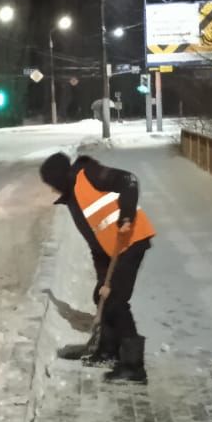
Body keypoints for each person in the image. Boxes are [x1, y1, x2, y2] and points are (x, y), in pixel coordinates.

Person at [39, 150, 155, 383]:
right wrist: (103, 279)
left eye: (51, 184)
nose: (52, 189)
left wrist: (126, 218)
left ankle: (134, 367)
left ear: (59, 177)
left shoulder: (88, 174)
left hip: (132, 240)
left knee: (116, 301)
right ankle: (108, 351)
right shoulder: (73, 199)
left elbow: (129, 180)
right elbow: (96, 242)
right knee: (102, 295)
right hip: (113, 250)